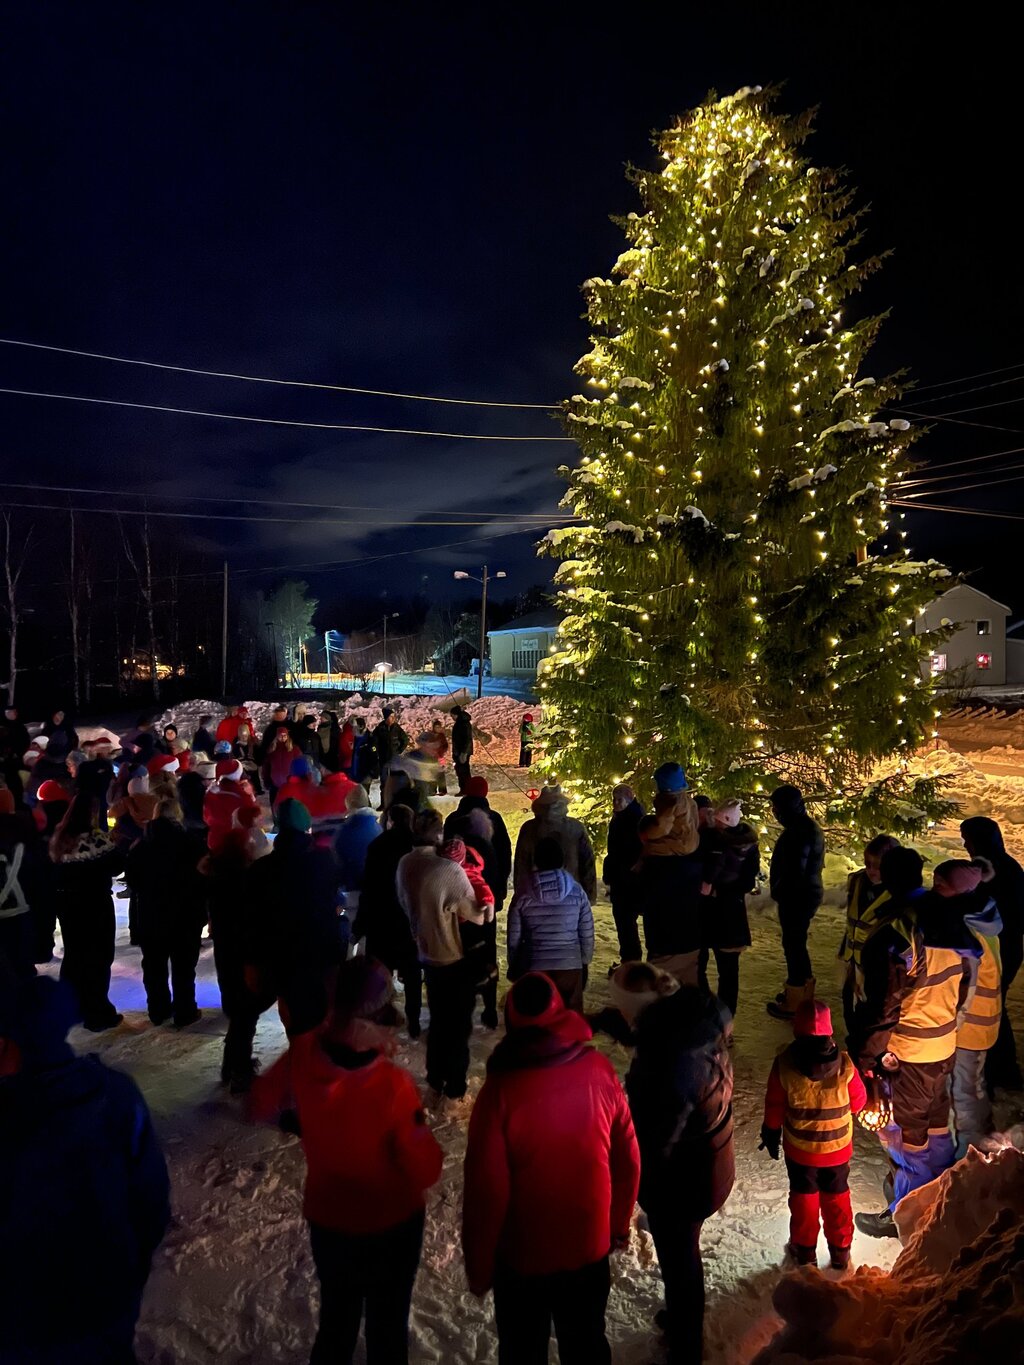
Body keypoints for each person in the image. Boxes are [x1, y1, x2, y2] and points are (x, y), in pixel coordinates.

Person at [251, 958, 443, 1365]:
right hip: (391, 1223)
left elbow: (260, 1099)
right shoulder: (393, 1087)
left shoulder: (304, 1052)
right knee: (387, 1326)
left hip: (329, 1218)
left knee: (337, 1319)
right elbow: (425, 1168)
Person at [462, 972, 640, 1365]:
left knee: (523, 1351)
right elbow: (628, 1157)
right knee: (587, 1344)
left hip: (522, 1257)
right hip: (587, 1243)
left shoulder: (499, 1093)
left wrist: (479, 1263)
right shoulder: (598, 1071)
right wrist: (617, 1223)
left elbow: (485, 1190)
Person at [0, 971, 170, 1365]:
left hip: (23, 1322)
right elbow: (151, 1204)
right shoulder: (116, 1096)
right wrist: (127, 1272)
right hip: (107, 1299)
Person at [853, 857, 980, 1237]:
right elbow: (963, 987)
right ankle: (941, 1191)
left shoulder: (904, 932)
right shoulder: (953, 924)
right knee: (937, 1123)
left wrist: (869, 1055)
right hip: (942, 1045)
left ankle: (906, 1215)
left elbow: (885, 1006)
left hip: (908, 1053)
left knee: (905, 1135)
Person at [627, 986, 735, 1362]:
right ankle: (679, 1319)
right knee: (681, 1255)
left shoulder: (678, 1070)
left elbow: (658, 1141)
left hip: (683, 1184)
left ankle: (686, 1345)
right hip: (708, 1170)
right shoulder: (708, 1047)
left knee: (680, 1263)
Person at [761, 999, 867, 1270]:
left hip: (801, 1150)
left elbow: (775, 1103)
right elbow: (859, 1102)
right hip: (837, 1150)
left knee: (804, 1197)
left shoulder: (784, 1063)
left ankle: (805, 1249)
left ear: (797, 1029)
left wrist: (771, 1131)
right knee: (837, 1196)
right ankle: (841, 1249)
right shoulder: (844, 1064)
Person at [397, 808, 484, 1100]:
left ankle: (435, 1075)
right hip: (453, 955)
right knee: (458, 1024)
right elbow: (475, 915)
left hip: (425, 951)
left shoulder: (405, 863)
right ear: (438, 834)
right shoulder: (447, 870)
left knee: (437, 1018)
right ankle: (455, 1083)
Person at [244, 799, 347, 1037]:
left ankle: (299, 1056)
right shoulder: (324, 861)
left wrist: (252, 961)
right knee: (323, 1010)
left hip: (281, 953)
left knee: (292, 1011)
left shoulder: (260, 870)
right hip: (321, 947)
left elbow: (252, 919)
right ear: (307, 828)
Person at [201, 818, 273, 1093]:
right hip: (244, 955)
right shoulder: (242, 882)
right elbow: (250, 922)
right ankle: (239, 1071)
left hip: (226, 952)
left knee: (240, 1010)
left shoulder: (217, 876)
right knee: (247, 1011)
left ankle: (232, 1063)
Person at [125, 798, 207, 1027]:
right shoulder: (192, 843)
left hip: (151, 914)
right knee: (183, 967)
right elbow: (204, 877)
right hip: (185, 914)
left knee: (153, 966)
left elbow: (132, 879)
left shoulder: (141, 846)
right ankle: (185, 1011)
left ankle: (158, 1010)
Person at [50, 793, 124, 1031]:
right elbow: (116, 866)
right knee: (99, 956)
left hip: (67, 904)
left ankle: (70, 1006)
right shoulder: (95, 839)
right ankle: (98, 1011)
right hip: (95, 904)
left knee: (74, 955)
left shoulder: (61, 837)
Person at [960, 815, 1024, 1091]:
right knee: (994, 1004)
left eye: (968, 841)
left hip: (993, 950)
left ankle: (1001, 1069)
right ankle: (1001, 1068)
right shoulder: (1011, 866)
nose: (965, 846)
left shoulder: (984, 871)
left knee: (989, 1006)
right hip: (1009, 948)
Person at [354, 800, 421, 1035]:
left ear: (389, 821)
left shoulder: (377, 846)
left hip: (380, 918)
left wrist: (360, 925)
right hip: (407, 920)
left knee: (380, 974)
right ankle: (414, 1021)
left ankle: (381, 1018)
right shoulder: (416, 845)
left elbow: (369, 887)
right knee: (412, 974)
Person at [507, 836, 594, 1011]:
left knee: (539, 1019)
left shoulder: (523, 893)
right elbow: (586, 932)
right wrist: (584, 961)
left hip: (535, 965)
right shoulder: (577, 891)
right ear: (562, 859)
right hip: (569, 966)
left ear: (536, 860)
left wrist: (514, 962)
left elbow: (514, 935)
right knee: (569, 1020)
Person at [952, 868, 1003, 1155]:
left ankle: (968, 1154)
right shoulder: (986, 923)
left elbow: (966, 986)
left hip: (969, 1025)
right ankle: (982, 1133)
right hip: (983, 1023)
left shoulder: (968, 934)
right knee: (973, 1084)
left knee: (964, 1091)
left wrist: (952, 1025)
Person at [766, 784, 825, 1020]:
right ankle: (801, 993)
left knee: (794, 945)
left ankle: (796, 999)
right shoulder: (804, 827)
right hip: (805, 894)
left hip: (797, 897)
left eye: (776, 808)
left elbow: (795, 870)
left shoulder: (798, 832)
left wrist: (781, 891)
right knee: (795, 943)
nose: (774, 813)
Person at [697, 799, 759, 1017]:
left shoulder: (714, 842)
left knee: (724, 971)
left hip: (717, 913)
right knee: (717, 970)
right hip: (725, 914)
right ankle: (719, 1018)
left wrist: (716, 889)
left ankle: (720, 1020)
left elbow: (743, 881)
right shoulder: (744, 845)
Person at [838, 834, 901, 1034]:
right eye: (867, 864)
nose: (871, 870)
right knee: (849, 1006)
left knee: (869, 1012)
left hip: (874, 966)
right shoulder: (857, 881)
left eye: (878, 866)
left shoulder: (897, 893)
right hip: (852, 961)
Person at [514, 785, 597, 902]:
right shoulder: (576, 827)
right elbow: (587, 863)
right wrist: (589, 895)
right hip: (572, 894)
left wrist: (520, 893)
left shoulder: (529, 828)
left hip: (535, 894)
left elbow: (521, 864)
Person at [603, 783, 646, 965]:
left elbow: (627, 849)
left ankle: (631, 960)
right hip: (622, 876)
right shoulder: (624, 816)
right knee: (624, 922)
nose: (615, 803)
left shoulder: (633, 819)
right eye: (613, 799)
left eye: (619, 799)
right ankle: (629, 958)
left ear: (629, 798)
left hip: (627, 878)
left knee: (626, 921)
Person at [454, 776, 512, 905]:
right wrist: (501, 884)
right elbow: (504, 853)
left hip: (459, 885)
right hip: (490, 884)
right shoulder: (494, 819)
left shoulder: (453, 819)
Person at [333, 784, 382, 916]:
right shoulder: (378, 828)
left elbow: (337, 861)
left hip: (352, 888)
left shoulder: (343, 832)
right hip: (376, 887)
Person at [371, 707, 410, 805]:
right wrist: (376, 752)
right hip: (383, 760)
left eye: (393, 716)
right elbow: (374, 743)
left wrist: (399, 750)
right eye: (391, 716)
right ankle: (384, 803)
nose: (393, 719)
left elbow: (405, 740)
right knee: (384, 782)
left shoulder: (397, 728)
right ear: (386, 718)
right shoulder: (380, 729)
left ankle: (395, 801)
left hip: (395, 760)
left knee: (395, 781)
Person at [449, 704, 474, 793]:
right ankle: (464, 789)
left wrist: (464, 753)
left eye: (452, 715)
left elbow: (467, 739)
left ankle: (465, 789)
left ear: (456, 714)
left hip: (462, 752)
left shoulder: (463, 723)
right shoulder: (460, 722)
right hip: (459, 751)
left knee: (463, 771)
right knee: (461, 771)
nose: (451, 717)